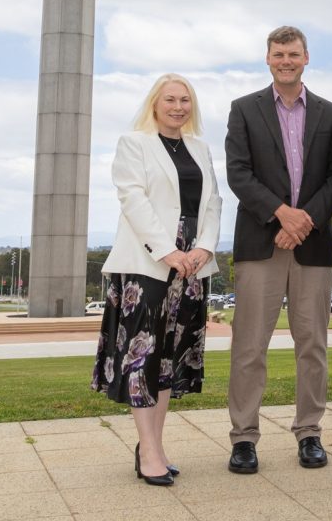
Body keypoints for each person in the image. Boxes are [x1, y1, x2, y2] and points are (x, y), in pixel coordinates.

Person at [224, 25, 332, 474]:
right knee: (249, 347)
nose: (286, 61)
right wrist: (281, 214)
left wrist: (303, 221)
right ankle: (243, 438)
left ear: (307, 57)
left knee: (313, 344)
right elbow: (238, 174)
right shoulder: (243, 110)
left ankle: (310, 432)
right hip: (261, 243)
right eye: (279, 54)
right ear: (268, 58)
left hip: (311, 244)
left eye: (293, 54)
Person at [93, 73, 223, 486]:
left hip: (192, 263)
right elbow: (133, 199)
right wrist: (167, 252)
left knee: (169, 356)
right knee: (142, 358)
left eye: (185, 100)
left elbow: (214, 202)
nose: (178, 106)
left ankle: (155, 445)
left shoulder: (201, 148)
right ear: (155, 103)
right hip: (148, 262)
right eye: (170, 99)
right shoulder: (134, 143)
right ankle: (147, 449)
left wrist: (203, 248)